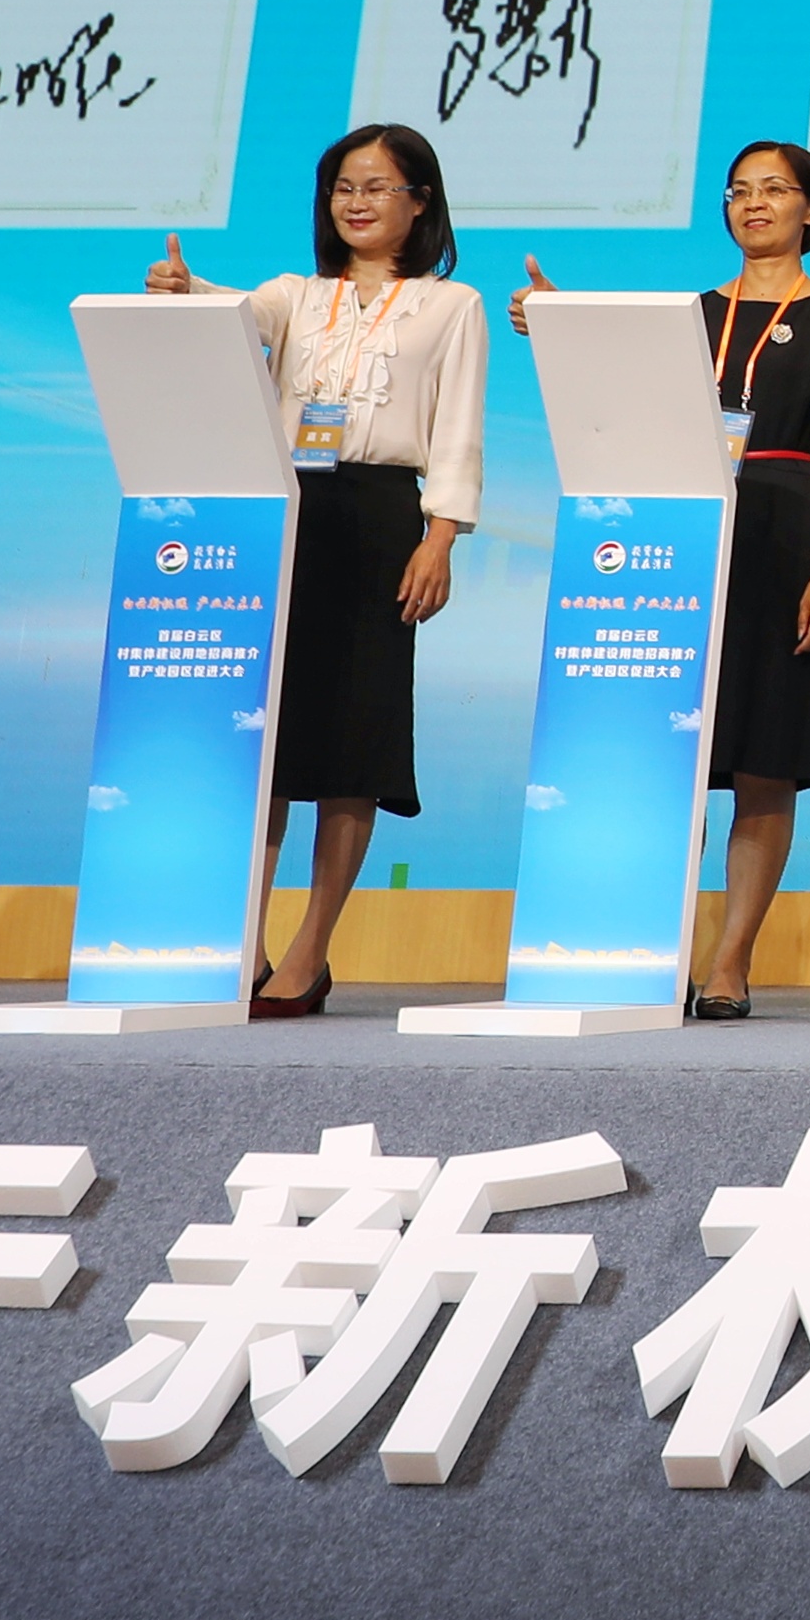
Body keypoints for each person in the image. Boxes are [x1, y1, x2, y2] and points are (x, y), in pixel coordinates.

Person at [509, 138, 810, 1022]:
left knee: (765, 758)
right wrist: (552, 323)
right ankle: (651, 943)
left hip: (782, 529)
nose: (754, 204)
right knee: (666, 751)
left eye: (775, 190)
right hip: (681, 536)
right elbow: (613, 403)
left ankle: (730, 960)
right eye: (738, 191)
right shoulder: (687, 315)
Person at [144, 120, 481, 1022]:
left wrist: (441, 538)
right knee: (267, 738)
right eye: (343, 187)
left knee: (353, 742)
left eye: (377, 187)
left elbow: (458, 429)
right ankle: (241, 942)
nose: (356, 202)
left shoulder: (452, 305)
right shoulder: (293, 294)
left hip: (381, 520)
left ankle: (309, 951)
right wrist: (182, 289)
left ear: (420, 203)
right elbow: (230, 316)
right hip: (285, 513)